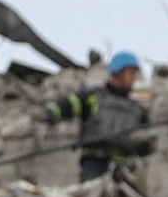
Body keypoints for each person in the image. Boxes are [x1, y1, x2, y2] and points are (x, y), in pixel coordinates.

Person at [50, 50, 156, 186]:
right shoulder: (94, 97)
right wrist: (50, 112)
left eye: (135, 74)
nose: (133, 78)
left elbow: (151, 142)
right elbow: (67, 105)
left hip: (124, 169)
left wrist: (144, 140)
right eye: (130, 73)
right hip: (95, 163)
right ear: (118, 72)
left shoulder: (138, 109)